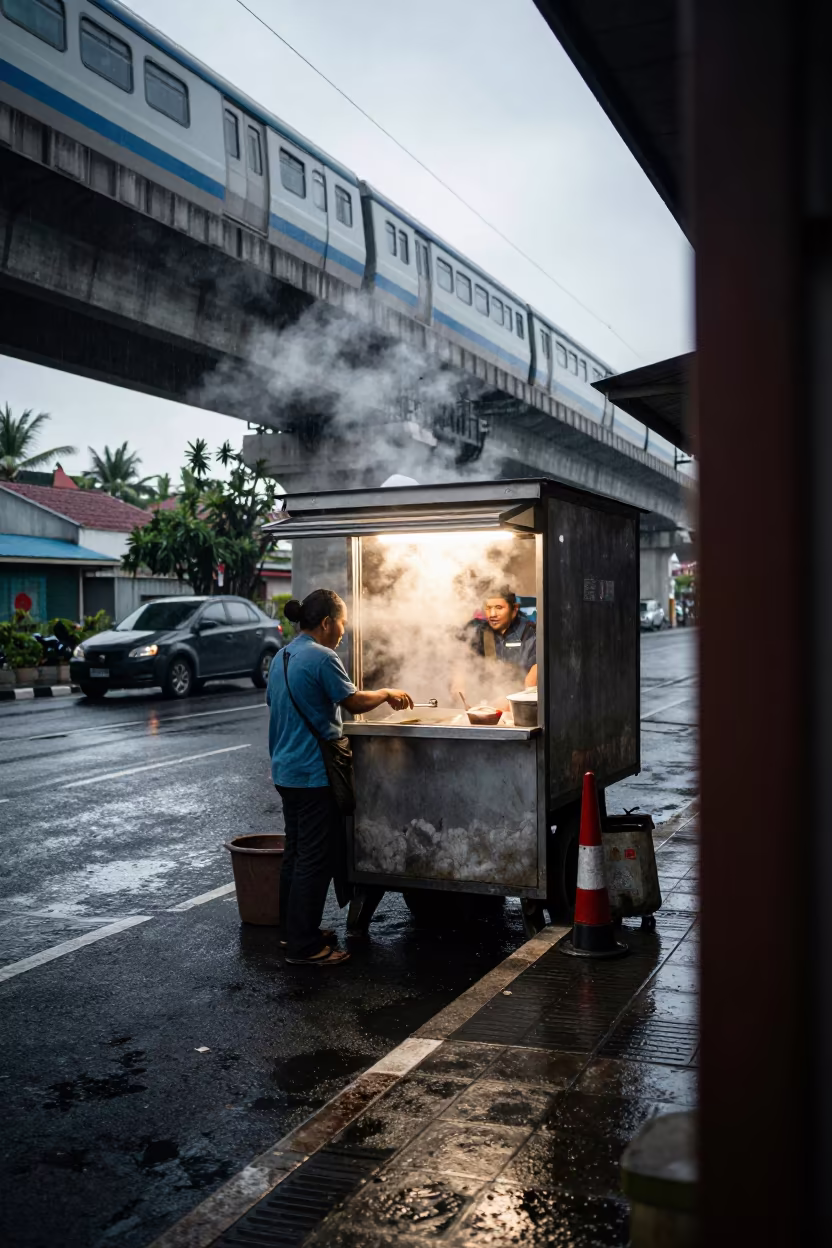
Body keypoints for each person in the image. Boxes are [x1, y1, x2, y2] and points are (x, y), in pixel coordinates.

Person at [267, 589, 413, 968]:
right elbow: (353, 702)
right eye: (343, 623)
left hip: (285, 770)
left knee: (295, 854)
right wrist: (385, 693)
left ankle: (292, 931)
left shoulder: (281, 656)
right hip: (315, 772)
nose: (345, 631)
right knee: (314, 859)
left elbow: (277, 704)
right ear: (328, 622)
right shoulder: (322, 656)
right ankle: (305, 946)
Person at [469, 588, 538, 688]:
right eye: (488, 608)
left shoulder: (532, 633)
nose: (492, 614)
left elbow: (536, 675)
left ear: (514, 609)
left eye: (499, 607)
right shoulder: (481, 632)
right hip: (489, 697)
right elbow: (466, 659)